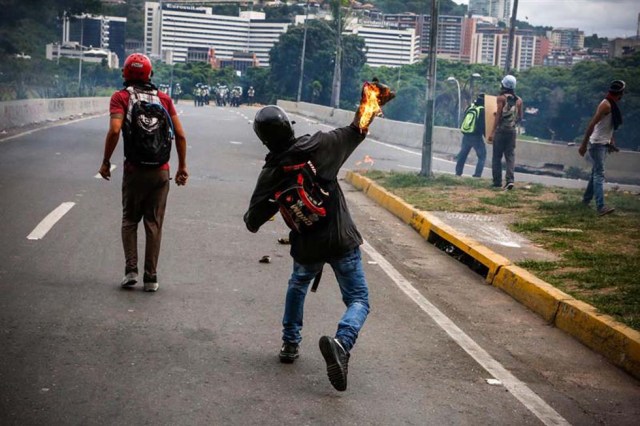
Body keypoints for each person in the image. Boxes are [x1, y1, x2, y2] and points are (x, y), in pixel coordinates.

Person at [243, 82, 394, 391]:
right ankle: (342, 340)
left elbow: (252, 222)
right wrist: (373, 101)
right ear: (289, 126)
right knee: (358, 299)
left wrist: (276, 197)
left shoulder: (271, 171)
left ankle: (290, 344)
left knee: (298, 285)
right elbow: (357, 129)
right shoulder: (320, 146)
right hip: (341, 237)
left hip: (306, 245)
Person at [98, 53, 189, 292]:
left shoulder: (121, 97)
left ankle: (131, 270)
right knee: (153, 223)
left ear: (125, 74)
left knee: (130, 219)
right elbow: (180, 135)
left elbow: (115, 130)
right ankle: (151, 277)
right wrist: (182, 167)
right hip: (161, 172)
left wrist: (106, 161)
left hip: (134, 170)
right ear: (150, 74)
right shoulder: (164, 100)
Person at [578, 80, 625, 216]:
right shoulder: (606, 105)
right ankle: (601, 207)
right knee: (599, 174)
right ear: (620, 93)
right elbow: (592, 125)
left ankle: (586, 201)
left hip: (602, 143)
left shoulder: (612, 104)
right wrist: (583, 145)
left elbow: (607, 126)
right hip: (597, 143)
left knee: (595, 173)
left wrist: (611, 141)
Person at [488, 75, 523, 190]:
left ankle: (497, 182)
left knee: (497, 157)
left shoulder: (501, 98)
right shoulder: (519, 100)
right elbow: (520, 117)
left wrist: (492, 132)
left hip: (501, 131)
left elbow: (498, 115)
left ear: (504, 85)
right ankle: (510, 180)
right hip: (511, 132)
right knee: (510, 156)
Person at [455, 94, 486, 177]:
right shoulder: (482, 110)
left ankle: (458, 173)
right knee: (482, 156)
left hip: (466, 134)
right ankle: (477, 175)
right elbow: (482, 126)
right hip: (476, 136)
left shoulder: (471, 107)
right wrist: (487, 136)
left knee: (463, 154)